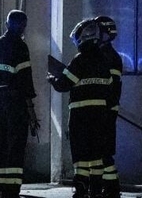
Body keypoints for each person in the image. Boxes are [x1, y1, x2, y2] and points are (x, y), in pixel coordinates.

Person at [47, 18, 112, 198]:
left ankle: (81, 188)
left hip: (80, 115)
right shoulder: (104, 60)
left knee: (81, 153)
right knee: (96, 154)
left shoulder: (80, 59)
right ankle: (96, 190)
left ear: (82, 37)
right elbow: (109, 87)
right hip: (100, 115)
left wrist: (52, 80)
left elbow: (64, 84)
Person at [0, 10, 39, 198]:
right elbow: (25, 79)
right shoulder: (20, 46)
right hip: (16, 103)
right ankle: (12, 188)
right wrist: (31, 110)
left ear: (6, 23)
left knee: (1, 144)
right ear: (22, 25)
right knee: (16, 146)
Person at [95, 15, 122, 198]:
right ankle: (109, 188)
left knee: (103, 151)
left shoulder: (108, 56)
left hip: (105, 110)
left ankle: (110, 189)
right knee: (102, 151)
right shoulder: (107, 54)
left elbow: (111, 87)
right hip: (105, 109)